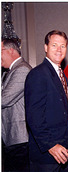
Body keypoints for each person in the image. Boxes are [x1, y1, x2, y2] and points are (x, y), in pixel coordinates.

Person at [24, 30, 68, 171]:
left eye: (62, 46)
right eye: (54, 45)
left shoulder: (62, 75)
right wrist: (50, 145)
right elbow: (34, 116)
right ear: (46, 47)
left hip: (63, 152)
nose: (59, 49)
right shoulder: (38, 74)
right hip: (46, 155)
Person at [1, 38, 32, 171]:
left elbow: (4, 99)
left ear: (11, 50)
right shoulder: (9, 71)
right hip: (12, 138)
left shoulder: (22, 70)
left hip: (19, 139)